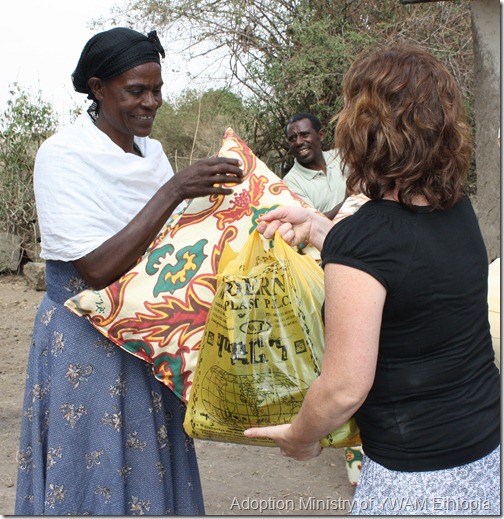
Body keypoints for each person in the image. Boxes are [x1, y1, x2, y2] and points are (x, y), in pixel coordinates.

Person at [245, 43, 500, 515]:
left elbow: (343, 389)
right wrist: (319, 228)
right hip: (483, 458)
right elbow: (404, 269)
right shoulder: (458, 209)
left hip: (416, 482)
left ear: (364, 129)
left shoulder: (366, 240)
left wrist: (300, 438)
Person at [15, 27, 243, 515]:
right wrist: (175, 191)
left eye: (157, 89)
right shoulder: (63, 154)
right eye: (136, 90)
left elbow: (165, 245)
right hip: (86, 342)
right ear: (98, 89)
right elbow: (96, 268)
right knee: (89, 469)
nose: (152, 102)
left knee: (147, 467)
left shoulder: (152, 154)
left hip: (148, 338)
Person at [283, 113, 347, 220]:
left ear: (321, 135)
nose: (298, 142)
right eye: (292, 138)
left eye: (305, 135)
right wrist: (348, 200)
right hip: (335, 236)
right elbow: (312, 222)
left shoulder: (342, 157)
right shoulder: (291, 182)